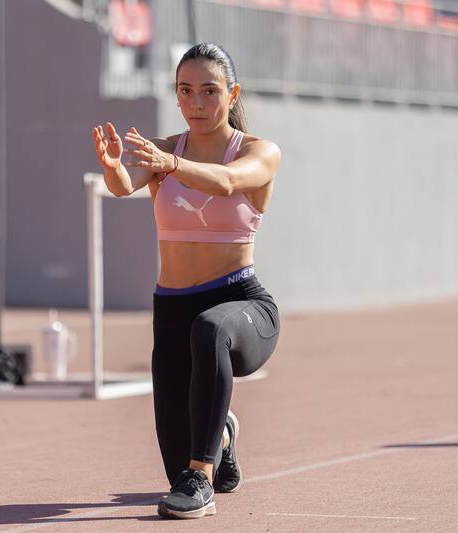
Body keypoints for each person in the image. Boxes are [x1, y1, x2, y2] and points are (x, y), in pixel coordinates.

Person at [91, 43, 281, 519]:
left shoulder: (259, 152)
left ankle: (203, 478)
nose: (196, 102)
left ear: (232, 93)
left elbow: (225, 182)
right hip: (172, 309)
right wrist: (115, 168)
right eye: (186, 91)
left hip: (242, 305)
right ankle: (218, 438)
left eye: (209, 91)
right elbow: (123, 186)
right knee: (174, 466)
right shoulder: (163, 150)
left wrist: (170, 165)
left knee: (211, 330)